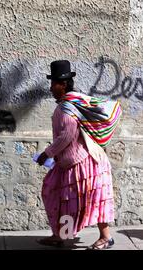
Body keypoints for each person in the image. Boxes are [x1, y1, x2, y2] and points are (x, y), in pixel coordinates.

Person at [37, 60, 119, 250]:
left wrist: (46, 153)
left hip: (86, 162)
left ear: (63, 84)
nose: (51, 88)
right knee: (58, 195)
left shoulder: (67, 108)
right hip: (69, 163)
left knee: (95, 200)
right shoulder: (69, 104)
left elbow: (67, 135)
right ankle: (61, 235)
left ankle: (106, 237)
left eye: (53, 84)